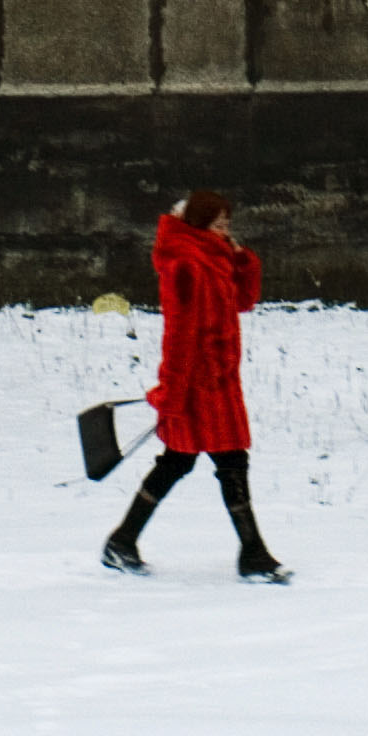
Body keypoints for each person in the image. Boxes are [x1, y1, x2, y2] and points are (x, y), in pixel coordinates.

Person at [102, 187, 288, 582]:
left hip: (218, 383)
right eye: (218, 223)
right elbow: (180, 334)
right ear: (199, 224)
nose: (225, 230)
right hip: (197, 386)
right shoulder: (186, 264)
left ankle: (122, 541)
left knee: (179, 462)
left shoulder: (213, 258)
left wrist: (241, 260)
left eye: (227, 223)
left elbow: (242, 302)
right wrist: (171, 391)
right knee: (227, 462)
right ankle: (253, 554)